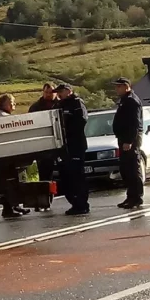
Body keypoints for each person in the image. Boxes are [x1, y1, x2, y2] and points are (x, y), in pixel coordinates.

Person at [56, 83, 90, 215]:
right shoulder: (59, 105)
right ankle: (75, 203)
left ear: (68, 91)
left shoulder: (76, 103)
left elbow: (81, 121)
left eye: (61, 91)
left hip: (76, 145)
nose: (59, 94)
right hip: (65, 147)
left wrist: (68, 130)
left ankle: (82, 204)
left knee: (78, 176)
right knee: (67, 177)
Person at [0, 94, 30, 218]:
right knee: (10, 182)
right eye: (12, 102)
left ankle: (13, 207)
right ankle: (10, 208)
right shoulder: (4, 119)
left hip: (5, 155)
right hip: (6, 156)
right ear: (5, 104)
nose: (14, 104)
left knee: (11, 181)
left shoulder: (1, 116)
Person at [112, 77, 144, 209]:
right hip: (123, 138)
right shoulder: (124, 100)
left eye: (119, 86)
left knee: (132, 169)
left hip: (130, 139)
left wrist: (129, 140)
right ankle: (131, 196)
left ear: (126, 86)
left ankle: (136, 197)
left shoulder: (132, 101)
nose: (117, 89)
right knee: (125, 169)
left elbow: (134, 123)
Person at [28, 82, 60, 201]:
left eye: (51, 92)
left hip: (60, 144)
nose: (48, 94)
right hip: (44, 146)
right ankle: (45, 199)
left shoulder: (61, 104)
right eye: (46, 92)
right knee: (44, 174)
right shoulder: (35, 107)